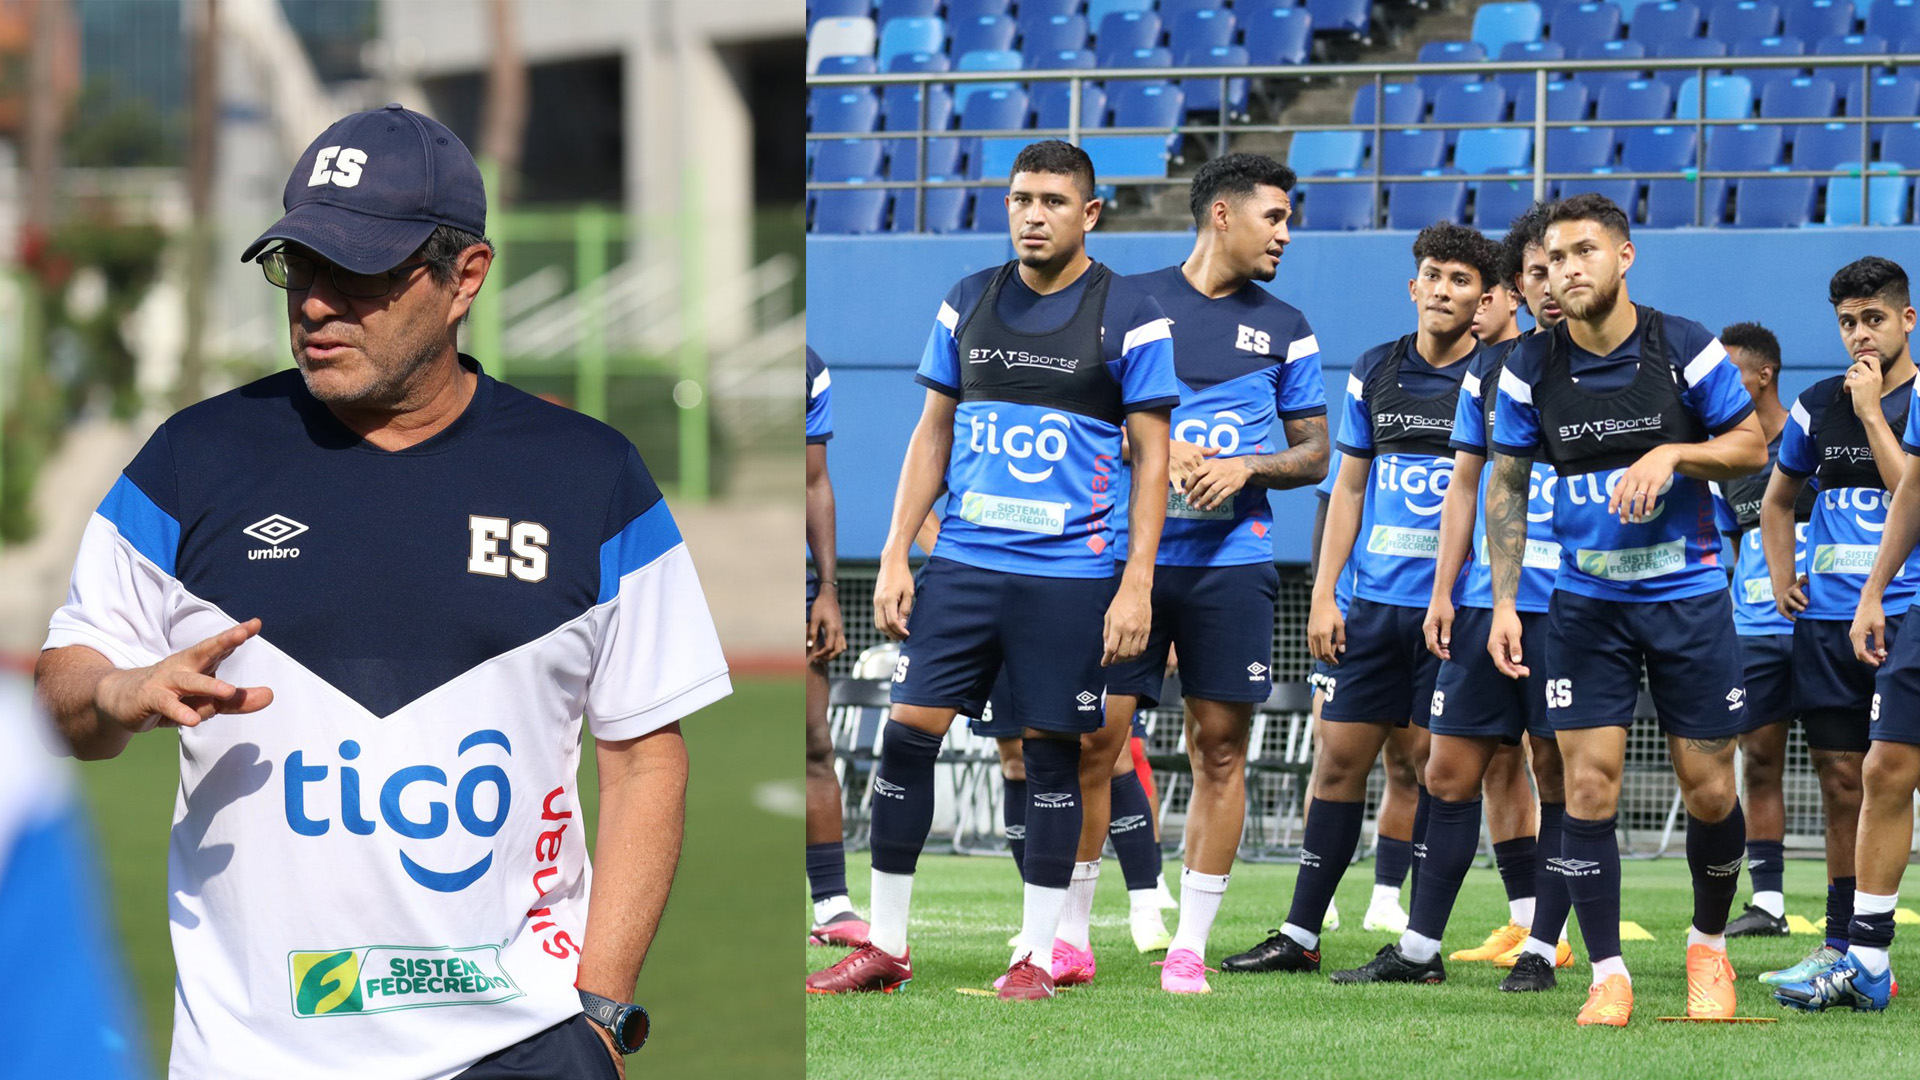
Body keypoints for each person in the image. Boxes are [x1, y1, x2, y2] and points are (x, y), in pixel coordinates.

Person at [33, 105, 730, 1078]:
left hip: (518, 1047)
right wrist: (115, 692)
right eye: (299, 267)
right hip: (253, 1057)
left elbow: (646, 757)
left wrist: (602, 1013)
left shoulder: (591, 479)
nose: (316, 303)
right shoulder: (189, 462)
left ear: (464, 279)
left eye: (357, 271)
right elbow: (64, 690)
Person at [804, 140, 1176, 1001]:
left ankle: (1038, 958)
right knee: (906, 738)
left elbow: (1151, 462)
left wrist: (1137, 581)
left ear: (1090, 213)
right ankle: (885, 947)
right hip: (963, 565)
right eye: (1019, 199)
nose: (1032, 214)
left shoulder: (1134, 316)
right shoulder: (968, 300)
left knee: (1052, 757)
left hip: (1071, 580)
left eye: (1051, 200)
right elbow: (932, 431)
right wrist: (897, 551)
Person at [1485, 193, 1766, 1026]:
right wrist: (1505, 601)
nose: (1569, 269)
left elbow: (1752, 445)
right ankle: (1610, 971)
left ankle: (1708, 948)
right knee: (1588, 788)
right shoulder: (1529, 365)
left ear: (1625, 256)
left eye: (1585, 252)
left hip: (1687, 601)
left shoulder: (1683, 345)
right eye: (1556, 258)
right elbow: (1506, 483)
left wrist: (1675, 451)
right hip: (1584, 608)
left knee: (1710, 790)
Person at [1224, 222, 1498, 978]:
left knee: (1444, 776)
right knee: (1337, 764)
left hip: (1461, 611)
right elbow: (1346, 488)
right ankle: (1301, 934)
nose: (1443, 289)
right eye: (1433, 275)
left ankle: (1423, 946)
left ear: (1482, 300)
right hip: (1371, 607)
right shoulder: (1375, 368)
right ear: (1413, 285)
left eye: (1462, 280)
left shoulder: (1502, 376)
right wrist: (1324, 593)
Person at [1092, 153, 1329, 994]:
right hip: (1129, 561)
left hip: (1234, 565)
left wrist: (1250, 468)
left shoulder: (1288, 324)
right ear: (1223, 217)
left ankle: (1188, 944)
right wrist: (1158, 445)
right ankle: (1065, 938)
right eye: (1275, 217)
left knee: (1219, 749)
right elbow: (1088, 416)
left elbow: (1315, 453)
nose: (1286, 234)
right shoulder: (1128, 301)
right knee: (1095, 739)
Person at [1332, 206, 1576, 988]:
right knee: (1446, 772)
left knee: (1558, 772)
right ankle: (1418, 950)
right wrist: (1444, 592)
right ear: (1516, 287)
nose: (1549, 285)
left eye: (1560, 268)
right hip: (1479, 603)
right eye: (1534, 272)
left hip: (1573, 604)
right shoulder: (1489, 371)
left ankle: (1543, 945)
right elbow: (1466, 489)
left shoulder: (1627, 367)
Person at [1758, 295, 1917, 990]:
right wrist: (1782, 574)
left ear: (1907, 320)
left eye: (1874, 320)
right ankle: (1840, 943)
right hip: (1827, 623)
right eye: (1848, 322)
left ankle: (1866, 948)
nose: (1860, 335)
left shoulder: (1905, 401)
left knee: (1890, 770)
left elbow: (1907, 489)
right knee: (1841, 781)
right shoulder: (1816, 402)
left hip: (1906, 612)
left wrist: (1874, 412)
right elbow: (1777, 498)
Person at [1710, 324, 1813, 947]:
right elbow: (1736, 546)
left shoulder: (1819, 437)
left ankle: (1852, 902)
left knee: (1846, 767)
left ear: (1763, 375)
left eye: (1731, 373)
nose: (1721, 385)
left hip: (1826, 628)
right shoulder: (1730, 457)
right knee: (1761, 764)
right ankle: (1769, 902)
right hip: (1752, 631)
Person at [805, 345, 863, 947]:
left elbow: (815, 482)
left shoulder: (810, 365)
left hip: (795, 584)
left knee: (815, 741)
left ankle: (832, 903)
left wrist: (826, 589)